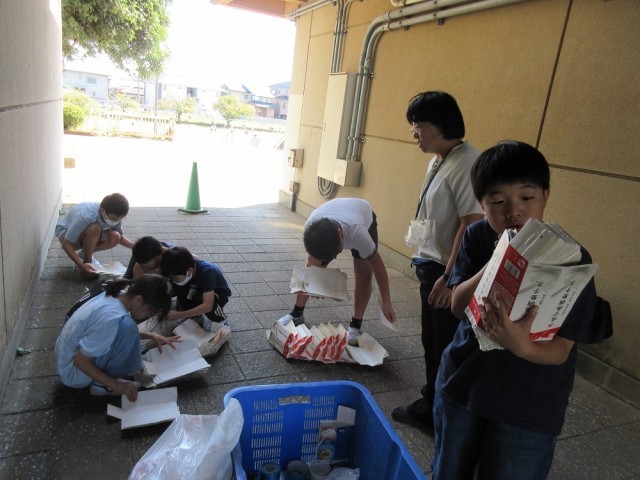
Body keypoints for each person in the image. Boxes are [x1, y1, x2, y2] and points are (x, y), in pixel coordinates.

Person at [432, 141, 608, 479]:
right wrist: (499, 258)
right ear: (481, 203)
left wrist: (521, 345)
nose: (513, 211)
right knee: (449, 469)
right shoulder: (477, 236)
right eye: (498, 201)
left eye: (527, 198)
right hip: (464, 383)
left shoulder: (570, 258)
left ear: (545, 196)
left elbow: (561, 350)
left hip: (528, 404)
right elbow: (457, 306)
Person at [392, 91, 483, 429]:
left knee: (443, 346)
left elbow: (470, 223)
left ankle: (437, 414)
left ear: (441, 124)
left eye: (418, 124)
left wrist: (450, 278)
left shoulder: (467, 162)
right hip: (431, 267)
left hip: (447, 272)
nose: (413, 132)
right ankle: (432, 402)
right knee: (432, 343)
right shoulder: (439, 159)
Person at [277, 198, 396, 346]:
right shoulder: (311, 228)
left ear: (340, 234)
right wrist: (315, 284)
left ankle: (355, 326)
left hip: (362, 216)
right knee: (310, 267)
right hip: (336, 216)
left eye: (337, 252)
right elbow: (311, 267)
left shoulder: (360, 234)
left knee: (364, 275)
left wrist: (386, 302)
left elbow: (378, 267)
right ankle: (297, 313)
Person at [55, 274, 176, 402]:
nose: (147, 316)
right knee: (129, 326)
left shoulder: (115, 295)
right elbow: (80, 361)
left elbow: (107, 332)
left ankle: (106, 379)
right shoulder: (111, 318)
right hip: (74, 374)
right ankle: (101, 385)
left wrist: (151, 335)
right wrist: (116, 385)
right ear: (138, 299)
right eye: (149, 312)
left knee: (128, 327)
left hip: (66, 359)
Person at [55, 193, 134, 279]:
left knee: (115, 236)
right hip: (66, 235)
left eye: (120, 219)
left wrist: (136, 247)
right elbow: (66, 244)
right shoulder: (85, 216)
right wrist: (81, 265)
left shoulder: (114, 216)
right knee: (95, 228)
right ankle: (88, 262)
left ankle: (85, 254)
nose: (116, 222)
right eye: (113, 219)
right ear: (103, 211)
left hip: (86, 233)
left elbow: (120, 238)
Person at [160, 246, 232, 331]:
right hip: (195, 286)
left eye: (175, 278)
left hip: (217, 294)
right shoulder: (181, 264)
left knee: (202, 300)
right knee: (179, 286)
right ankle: (194, 315)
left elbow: (208, 305)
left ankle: (220, 320)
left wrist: (179, 315)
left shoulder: (208, 272)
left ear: (189, 271)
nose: (173, 280)